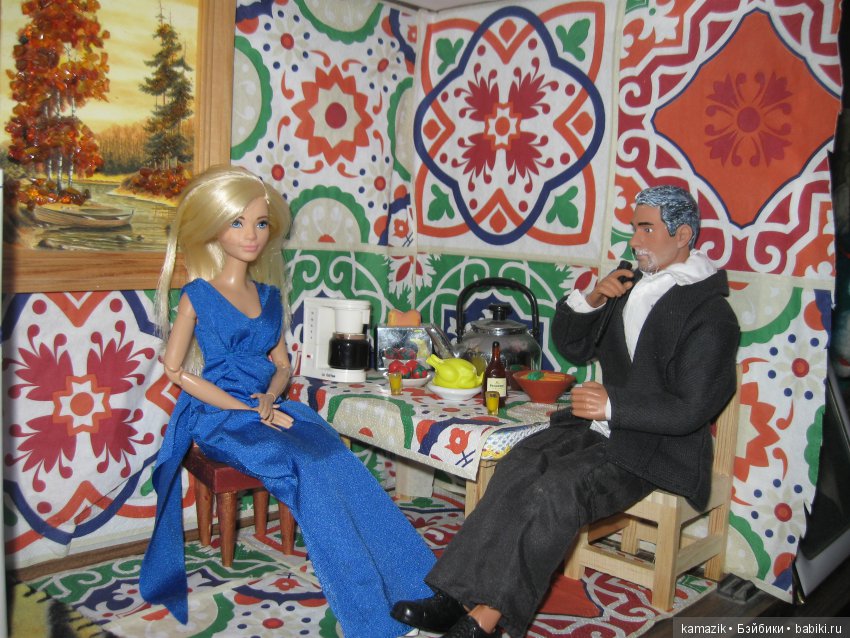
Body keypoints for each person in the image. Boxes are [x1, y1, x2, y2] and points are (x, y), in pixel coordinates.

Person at [390, 185, 741, 638]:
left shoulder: (710, 314)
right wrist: (593, 299)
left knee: (557, 488)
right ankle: (455, 595)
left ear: (683, 235)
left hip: (657, 450)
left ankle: (486, 619)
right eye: (634, 228)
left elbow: (691, 408)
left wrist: (614, 404)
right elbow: (572, 346)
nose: (635, 241)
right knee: (518, 463)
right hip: (601, 429)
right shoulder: (629, 285)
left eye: (646, 229)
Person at [138, 165, 434, 637]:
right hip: (218, 416)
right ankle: (371, 616)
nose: (251, 235)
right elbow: (175, 371)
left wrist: (271, 396)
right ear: (214, 228)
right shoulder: (198, 296)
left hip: (268, 406)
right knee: (306, 468)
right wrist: (243, 408)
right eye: (237, 222)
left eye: (260, 223)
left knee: (335, 456)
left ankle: (422, 584)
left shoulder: (270, 296)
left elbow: (281, 363)